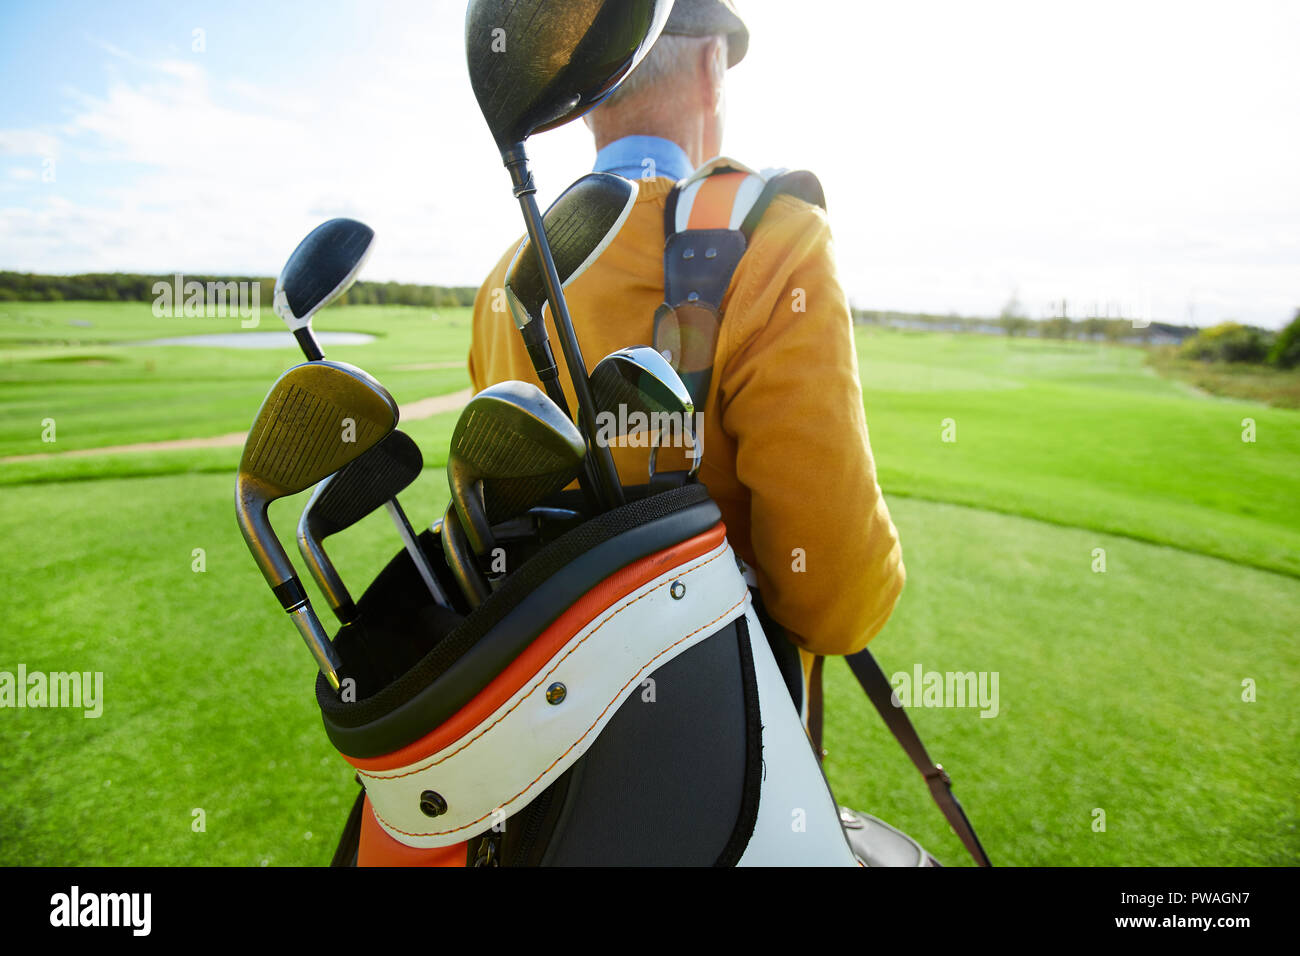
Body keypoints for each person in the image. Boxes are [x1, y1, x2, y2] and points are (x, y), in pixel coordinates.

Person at [468, 0, 904, 703]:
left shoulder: (507, 275)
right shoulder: (778, 241)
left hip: (538, 742)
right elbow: (839, 601)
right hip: (723, 754)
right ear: (711, 68)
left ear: (589, 99)